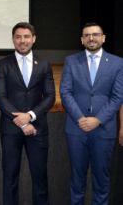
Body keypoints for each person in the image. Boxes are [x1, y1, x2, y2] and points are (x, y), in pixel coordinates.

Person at [60, 22, 123, 204]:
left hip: (104, 131)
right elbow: (65, 92)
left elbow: (118, 96)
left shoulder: (118, 63)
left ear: (103, 38)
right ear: (82, 40)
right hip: (76, 129)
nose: (91, 38)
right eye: (87, 35)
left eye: (95, 34)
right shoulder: (71, 61)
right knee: (77, 180)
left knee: (102, 181)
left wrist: (98, 120)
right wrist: (80, 118)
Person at [0, 22, 55, 205]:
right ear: (13, 40)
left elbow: (50, 96)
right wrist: (21, 121)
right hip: (11, 130)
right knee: (10, 179)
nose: (22, 41)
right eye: (18, 37)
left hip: (38, 129)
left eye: (26, 36)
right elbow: (0, 97)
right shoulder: (3, 64)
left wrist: (30, 116)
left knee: (40, 179)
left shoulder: (43, 64)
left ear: (33, 39)